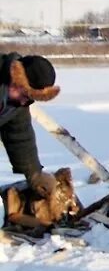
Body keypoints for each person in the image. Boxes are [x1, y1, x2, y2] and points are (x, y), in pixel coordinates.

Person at [0, 53, 59, 200]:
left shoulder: (15, 103)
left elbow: (20, 136)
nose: (23, 102)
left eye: (29, 99)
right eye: (24, 94)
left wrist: (34, 174)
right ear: (15, 79)